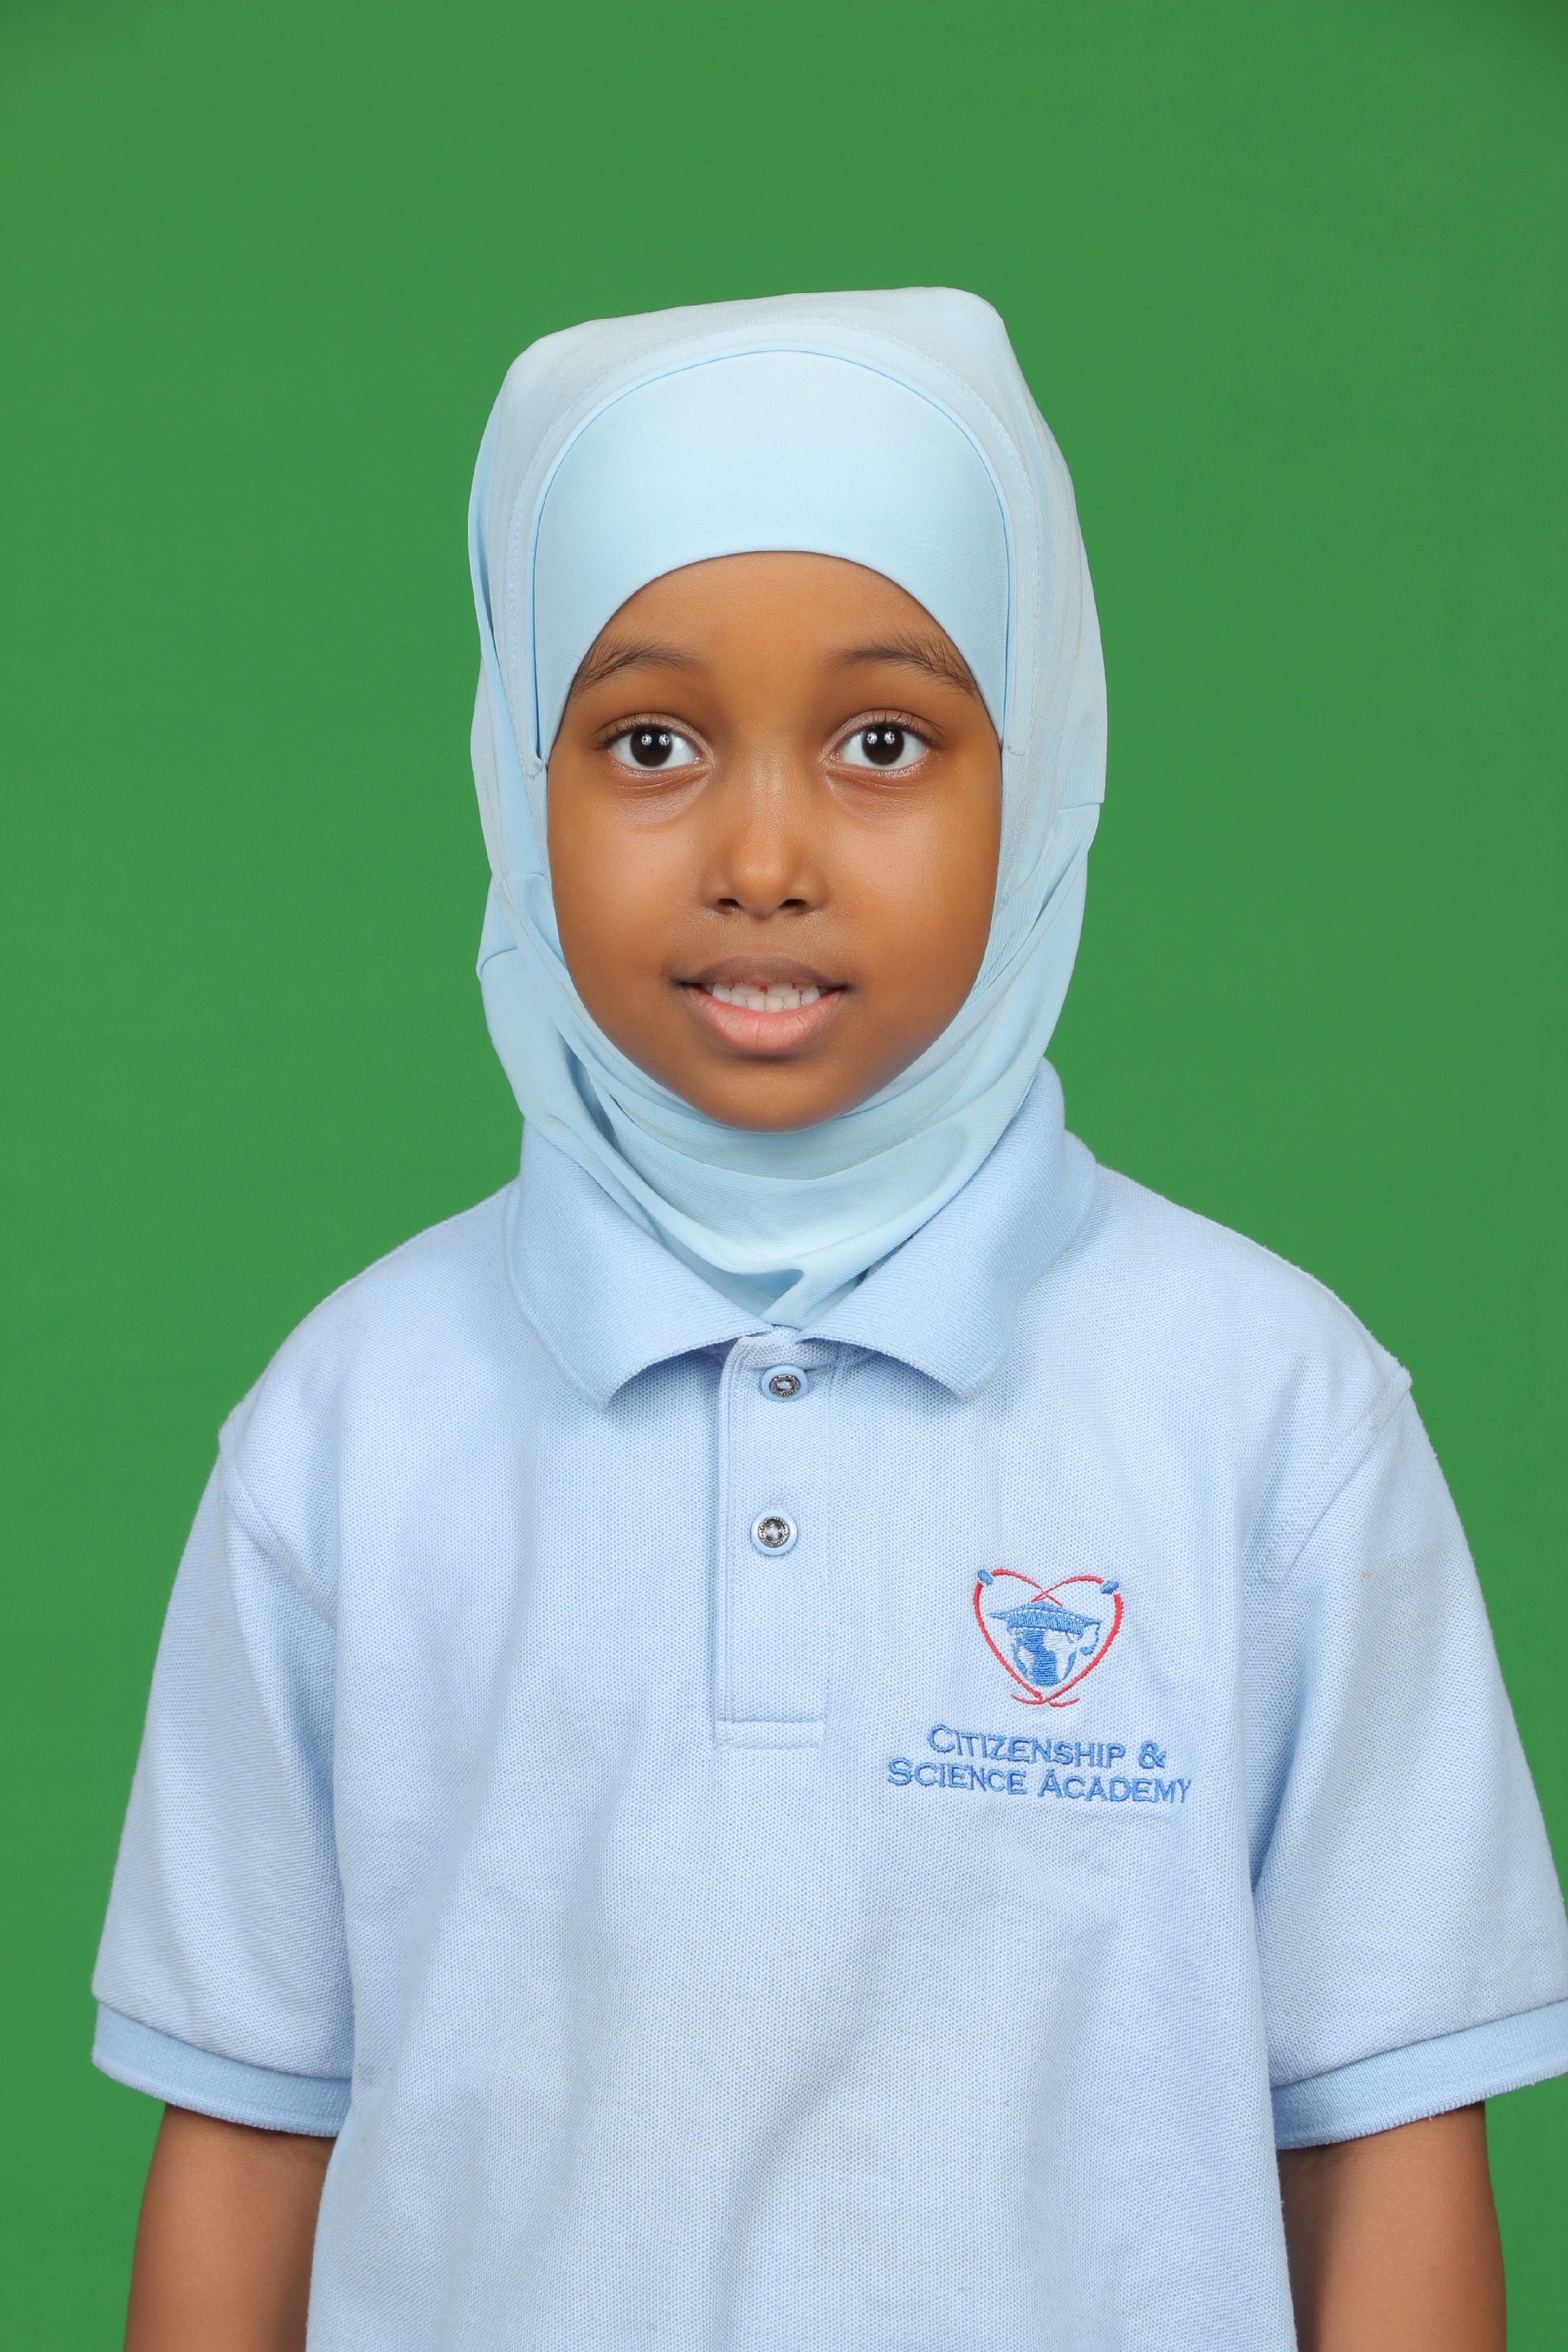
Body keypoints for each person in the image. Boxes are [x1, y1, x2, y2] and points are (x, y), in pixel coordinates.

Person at [94, 289, 1568, 2352]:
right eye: (651, 743)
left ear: (1035, 772)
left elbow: (1382, 2145)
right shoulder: (350, 1427)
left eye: (885, 742)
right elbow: (253, 2140)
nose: (764, 857)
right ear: (517, 777)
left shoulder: (1274, 1414)